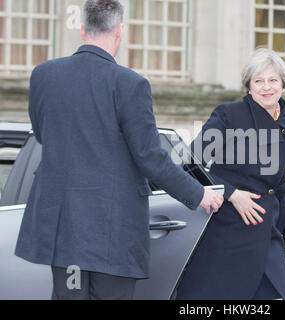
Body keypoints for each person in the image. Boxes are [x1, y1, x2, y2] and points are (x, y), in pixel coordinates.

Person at [14, 0, 223, 300]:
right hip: (112, 233)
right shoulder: (130, 84)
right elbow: (151, 158)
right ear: (120, 31)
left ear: (83, 28)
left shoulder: (44, 75)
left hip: (64, 231)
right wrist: (199, 192)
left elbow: (44, 135)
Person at [176, 48, 285, 300]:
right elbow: (190, 164)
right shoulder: (228, 115)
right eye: (259, 81)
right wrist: (232, 194)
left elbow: (279, 180)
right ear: (249, 86)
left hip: (266, 237)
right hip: (228, 233)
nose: (266, 87)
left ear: (283, 85)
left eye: (273, 80)